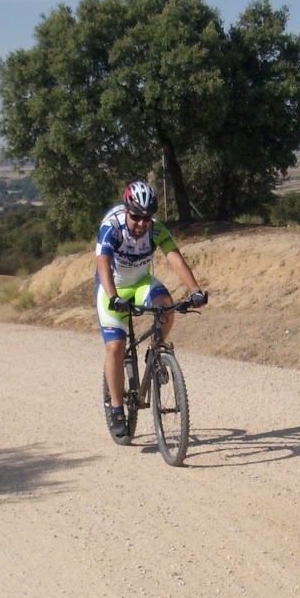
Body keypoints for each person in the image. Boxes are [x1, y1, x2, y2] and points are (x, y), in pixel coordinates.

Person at [95, 181, 206, 438]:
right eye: (136, 217)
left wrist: (195, 290)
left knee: (166, 305)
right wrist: (113, 297)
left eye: (147, 218)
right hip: (112, 287)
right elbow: (103, 263)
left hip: (140, 282)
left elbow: (174, 257)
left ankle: (155, 351)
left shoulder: (155, 230)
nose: (141, 223)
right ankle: (117, 410)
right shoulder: (112, 228)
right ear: (127, 211)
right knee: (116, 347)